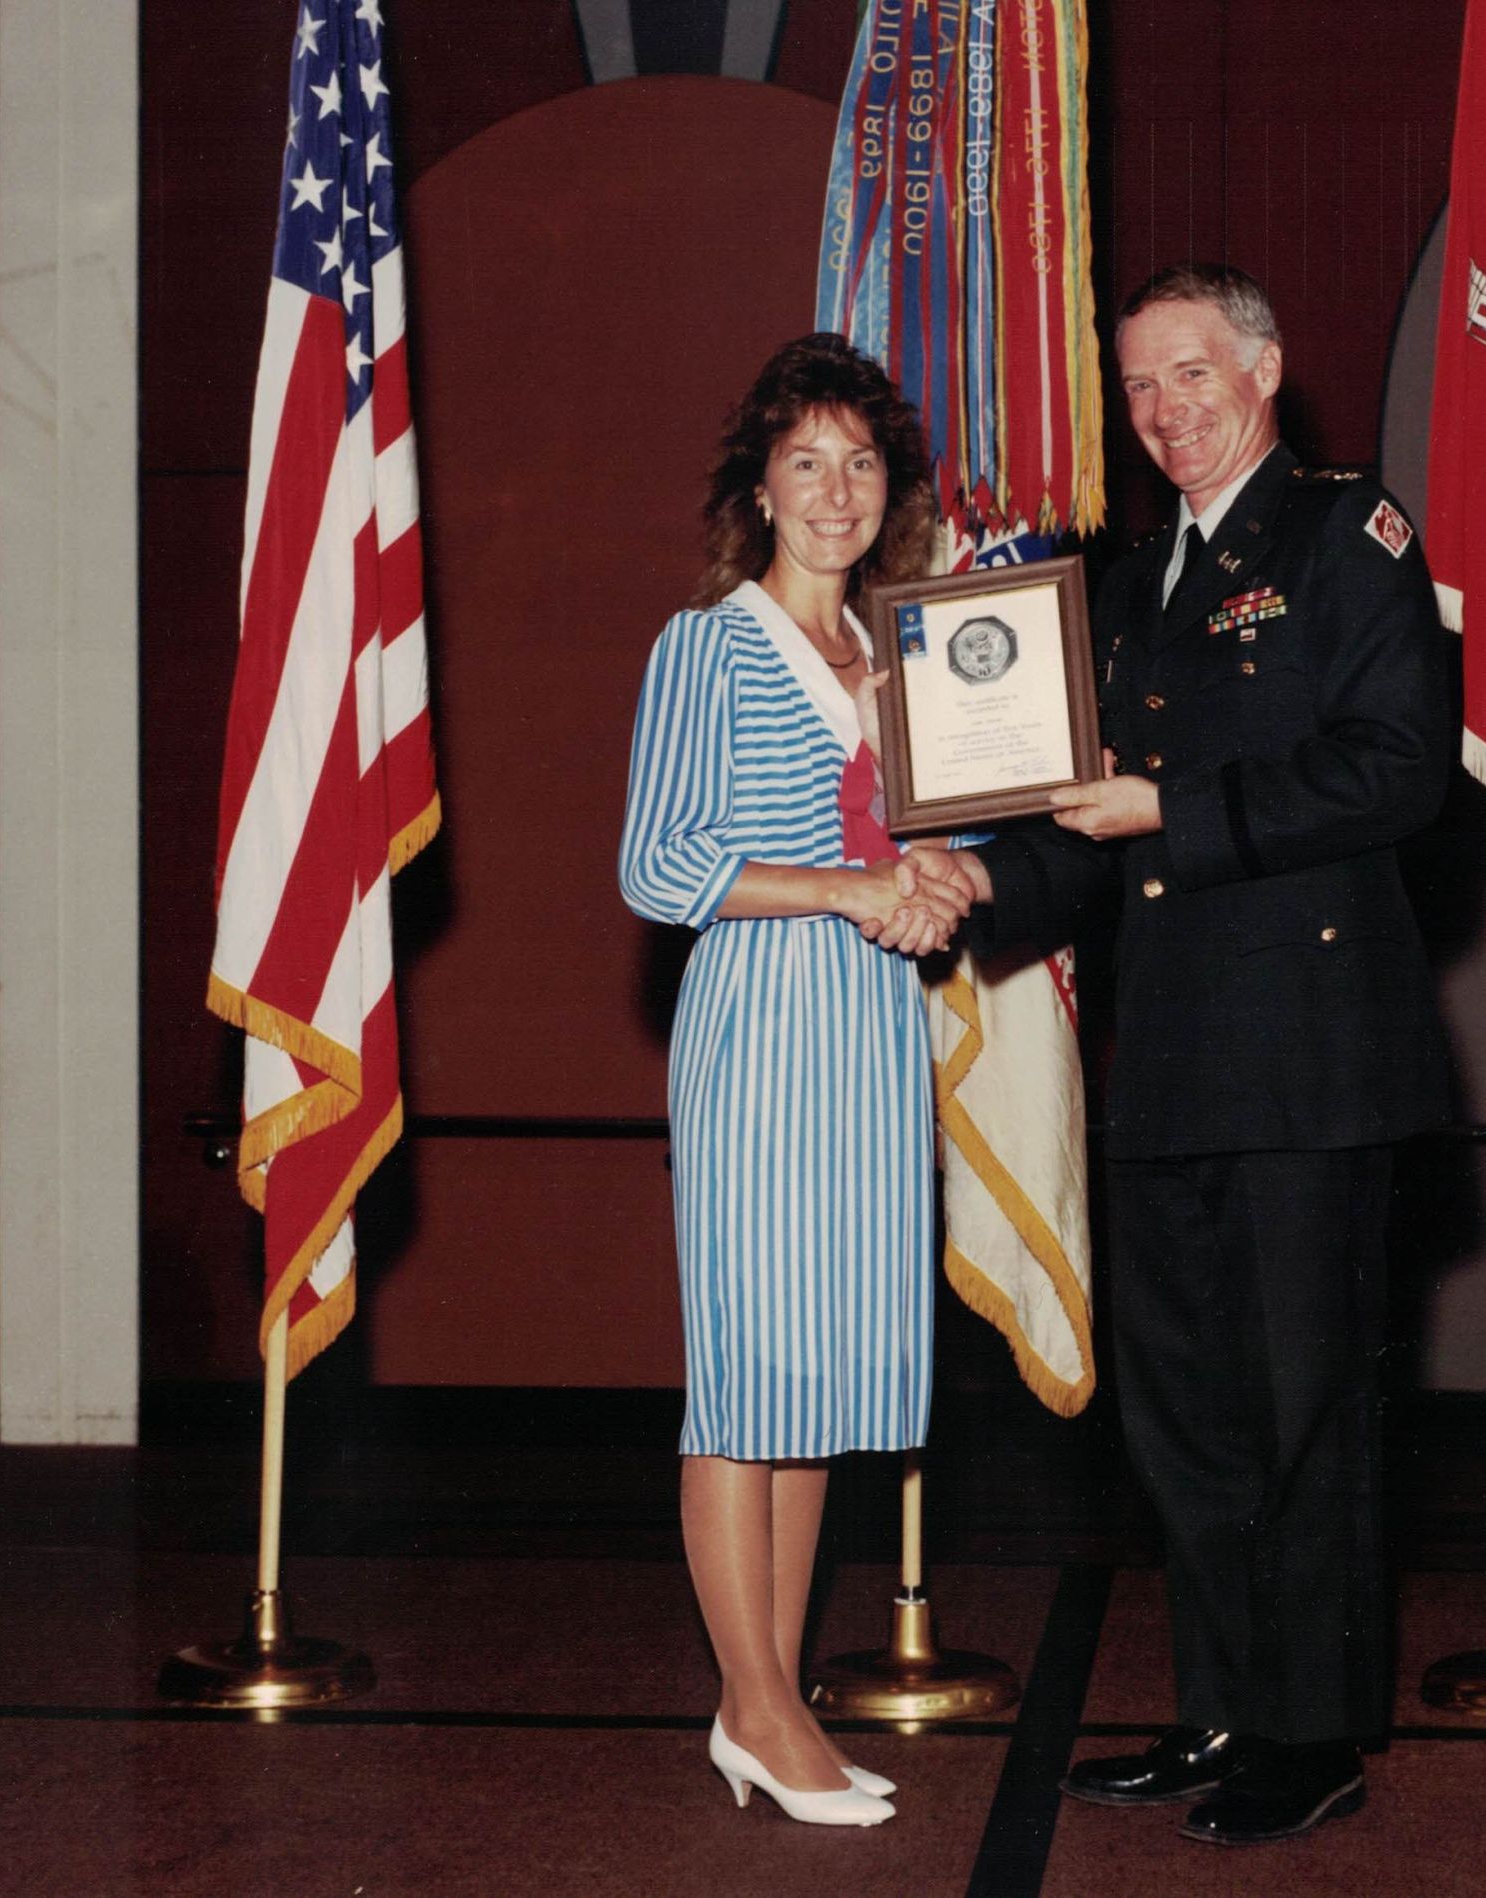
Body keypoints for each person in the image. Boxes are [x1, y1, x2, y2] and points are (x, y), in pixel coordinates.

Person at [943, 264, 1451, 1845]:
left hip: (1308, 1055)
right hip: (1163, 1051)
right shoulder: (1115, 576)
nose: (1165, 408)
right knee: (1182, 1410)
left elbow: (1396, 770)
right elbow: (1079, 829)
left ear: (1269, 365)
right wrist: (974, 887)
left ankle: (1316, 1731)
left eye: (1190, 372)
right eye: (1140, 386)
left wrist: (1179, 811)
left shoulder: (1345, 538)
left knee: (1306, 1404)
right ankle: (1223, 1706)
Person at [618, 334, 969, 1828]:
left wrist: (948, 874)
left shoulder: (906, 653)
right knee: (747, 1375)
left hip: (873, 1029)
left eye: (861, 463)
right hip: (764, 1025)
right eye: (807, 462)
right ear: (758, 486)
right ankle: (752, 1703)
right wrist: (846, 886)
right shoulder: (707, 646)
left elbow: (934, 844)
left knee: (818, 1376)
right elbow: (660, 861)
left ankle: (783, 1693)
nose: (836, 491)